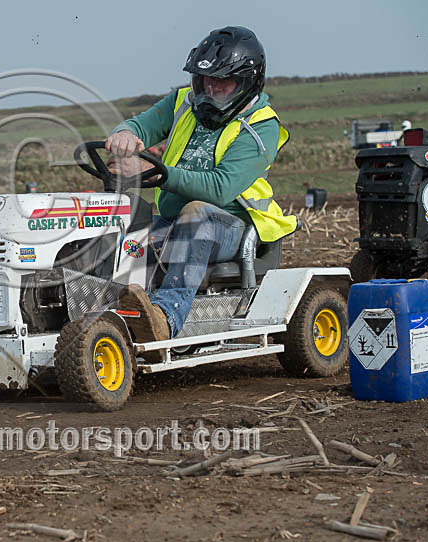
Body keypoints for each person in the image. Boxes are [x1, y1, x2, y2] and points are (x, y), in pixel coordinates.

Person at [105, 26, 296, 349]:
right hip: (175, 223)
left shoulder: (262, 126)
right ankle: (108, 308)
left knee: (197, 214)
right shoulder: (183, 102)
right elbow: (141, 125)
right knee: (123, 223)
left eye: (222, 83)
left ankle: (166, 316)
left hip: (233, 228)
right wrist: (125, 134)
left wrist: (160, 172)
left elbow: (220, 189)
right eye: (206, 81)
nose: (211, 90)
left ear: (246, 83)